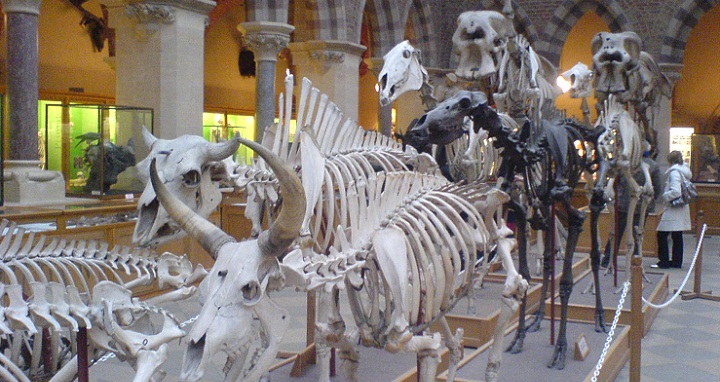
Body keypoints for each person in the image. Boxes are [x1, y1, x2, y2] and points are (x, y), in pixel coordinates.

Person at [601, 147, 662, 268]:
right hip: (637, 205)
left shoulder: (628, 164)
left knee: (619, 232)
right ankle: (634, 260)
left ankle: (608, 258)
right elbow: (657, 188)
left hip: (624, 204)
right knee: (634, 233)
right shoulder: (653, 165)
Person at [653, 150, 693, 269]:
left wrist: (665, 196)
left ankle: (664, 261)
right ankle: (676, 261)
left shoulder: (674, 173)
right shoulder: (683, 171)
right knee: (677, 234)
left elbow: (676, 191)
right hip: (681, 207)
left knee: (662, 234)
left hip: (674, 208)